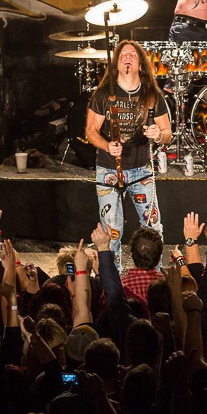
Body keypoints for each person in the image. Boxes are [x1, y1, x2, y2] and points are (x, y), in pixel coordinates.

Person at [85, 40, 172, 265]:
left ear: (141, 65)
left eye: (133, 54)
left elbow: (167, 133)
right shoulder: (103, 94)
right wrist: (107, 145)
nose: (127, 57)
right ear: (115, 64)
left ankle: (154, 278)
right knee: (112, 230)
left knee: (153, 228)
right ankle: (112, 281)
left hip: (141, 169)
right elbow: (90, 131)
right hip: (108, 168)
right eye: (123, 54)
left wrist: (157, 134)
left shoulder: (152, 95)